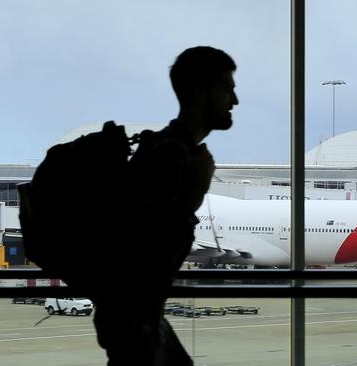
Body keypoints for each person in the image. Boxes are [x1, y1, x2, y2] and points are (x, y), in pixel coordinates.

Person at [92, 46, 238, 366]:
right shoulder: (170, 156)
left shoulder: (168, 149)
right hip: (134, 321)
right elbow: (147, 248)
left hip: (138, 318)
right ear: (201, 94)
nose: (235, 101)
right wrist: (194, 195)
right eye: (228, 89)